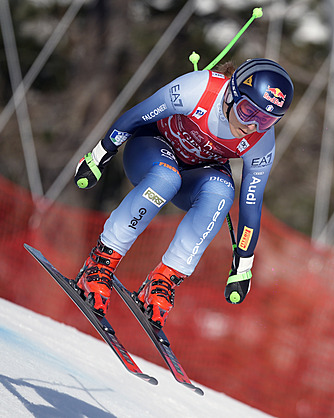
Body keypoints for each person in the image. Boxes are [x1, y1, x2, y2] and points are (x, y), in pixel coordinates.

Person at [73, 58, 294, 328]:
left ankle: (162, 281)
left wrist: (243, 265)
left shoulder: (261, 140)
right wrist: (99, 154)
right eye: (248, 111)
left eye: (266, 119)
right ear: (231, 93)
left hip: (195, 174)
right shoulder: (200, 89)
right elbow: (135, 116)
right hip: (151, 150)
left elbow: (251, 203)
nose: (252, 126)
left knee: (222, 192)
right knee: (166, 178)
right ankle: (100, 264)